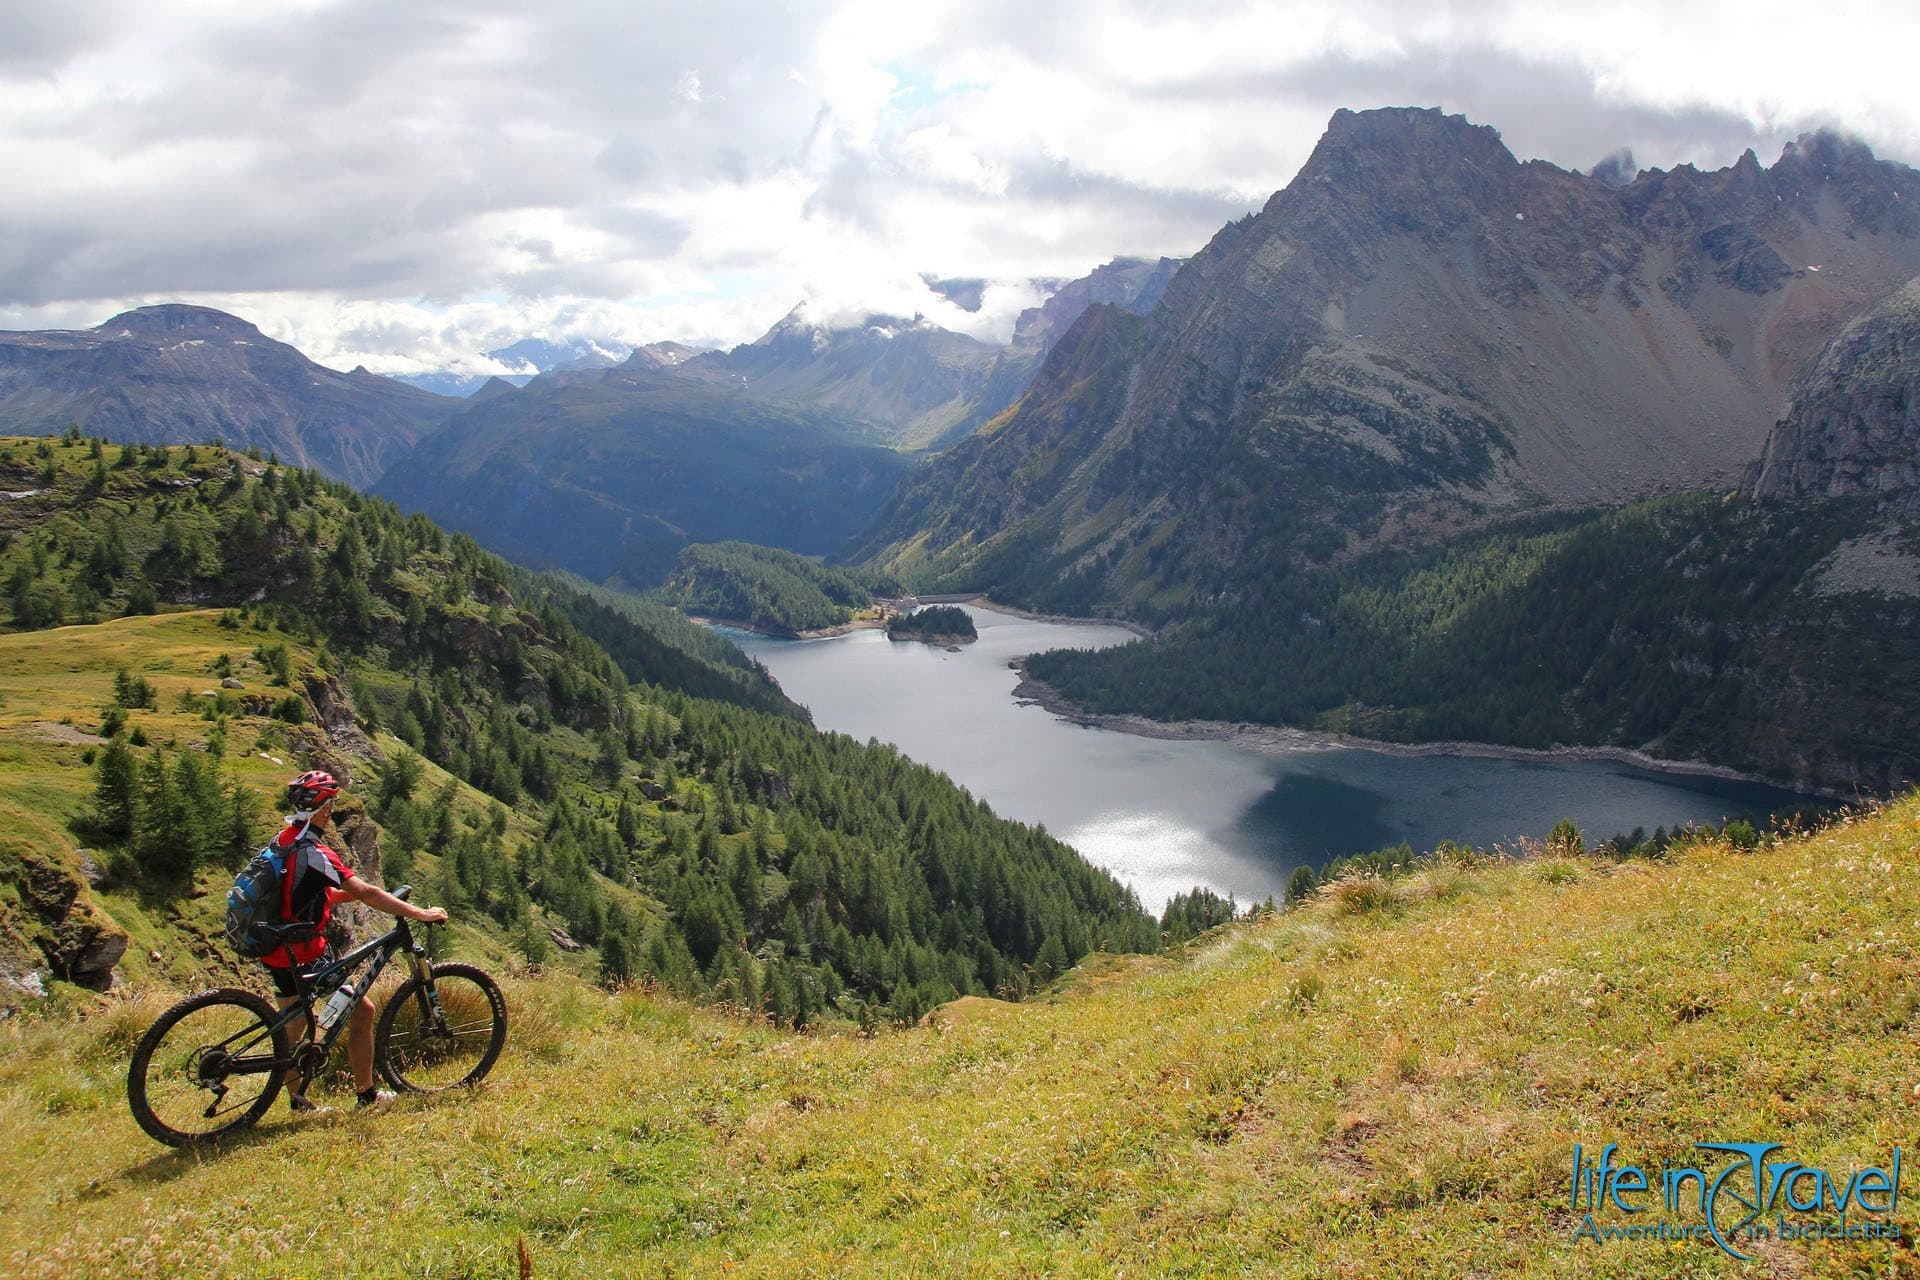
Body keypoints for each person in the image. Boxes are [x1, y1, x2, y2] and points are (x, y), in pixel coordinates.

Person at [265, 769, 449, 1112]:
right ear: (323, 809)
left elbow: (303, 896)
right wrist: (418, 913)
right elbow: (364, 890)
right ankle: (366, 1095)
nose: (333, 809)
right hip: (304, 951)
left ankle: (296, 1100)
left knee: (293, 1025)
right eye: (331, 803)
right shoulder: (315, 850)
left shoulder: (284, 839)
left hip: (276, 947)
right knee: (362, 1010)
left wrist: (353, 897)